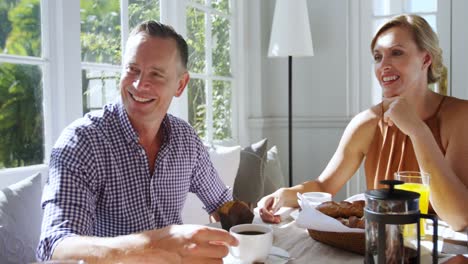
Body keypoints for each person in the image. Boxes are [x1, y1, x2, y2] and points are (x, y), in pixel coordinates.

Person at [37, 20, 237, 263]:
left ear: (181, 84)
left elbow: (221, 204)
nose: (139, 84)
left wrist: (257, 220)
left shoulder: (186, 140)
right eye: (132, 69)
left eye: (156, 74)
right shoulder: (82, 142)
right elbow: (55, 245)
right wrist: (149, 246)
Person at [259, 14, 468, 232]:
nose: (383, 65)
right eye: (378, 57)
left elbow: (459, 217)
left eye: (396, 53)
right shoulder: (367, 122)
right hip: (385, 246)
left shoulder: (459, 116)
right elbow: (324, 186)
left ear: (426, 59)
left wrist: (417, 131)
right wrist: (284, 194)